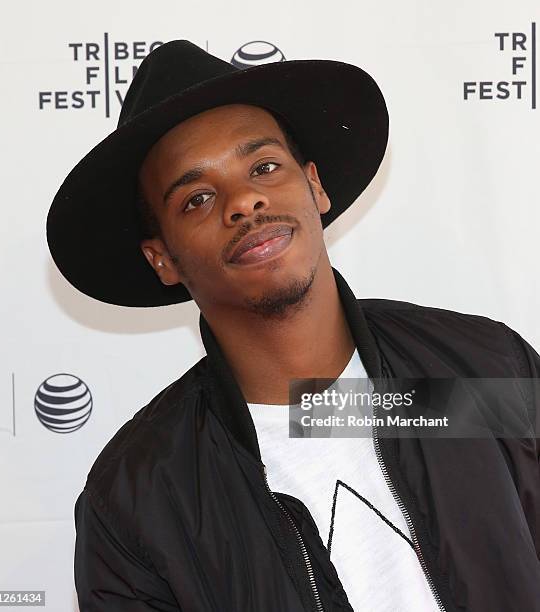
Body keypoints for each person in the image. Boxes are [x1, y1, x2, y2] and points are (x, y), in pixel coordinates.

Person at [46, 41, 540, 611]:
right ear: (163, 259)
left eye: (263, 167)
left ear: (315, 186)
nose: (244, 200)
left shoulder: (481, 372)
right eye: (198, 198)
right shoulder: (139, 497)